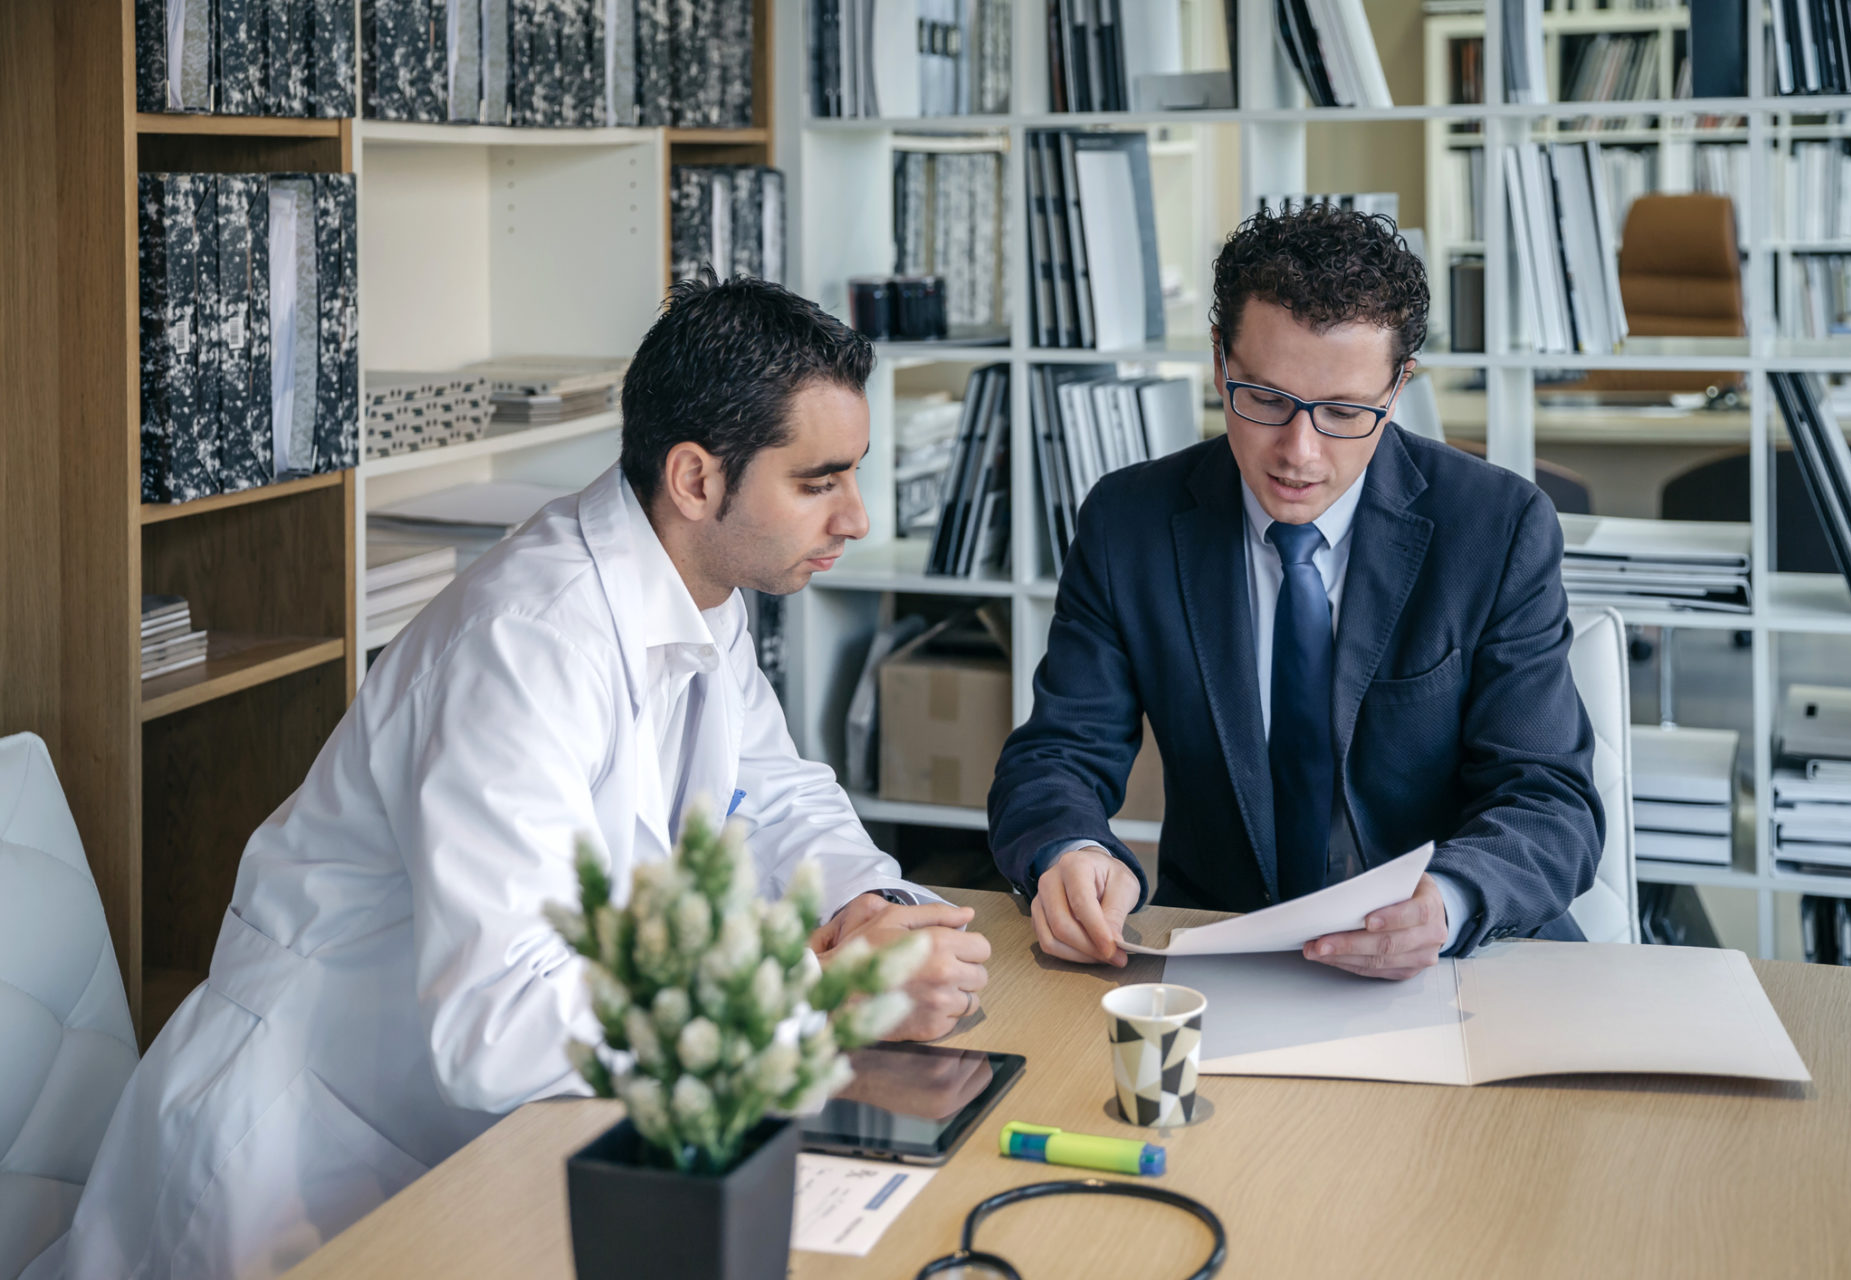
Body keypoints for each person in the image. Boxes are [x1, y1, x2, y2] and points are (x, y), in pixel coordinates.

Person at [68, 276, 990, 1280]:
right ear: (694, 479)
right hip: (302, 1155)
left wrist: (873, 905)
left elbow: (770, 788)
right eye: (820, 480)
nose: (855, 514)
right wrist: (821, 983)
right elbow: (502, 1022)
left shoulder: (702, 583)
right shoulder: (526, 641)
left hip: (479, 1143)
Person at [989, 205, 1602, 980]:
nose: (1299, 453)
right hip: (1227, 947)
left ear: (1399, 385)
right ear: (1220, 363)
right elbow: (1057, 755)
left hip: (1456, 963)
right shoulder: (1128, 522)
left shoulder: (1497, 527)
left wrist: (1445, 902)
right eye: (1267, 401)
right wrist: (1067, 850)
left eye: (1345, 412)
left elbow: (1550, 801)